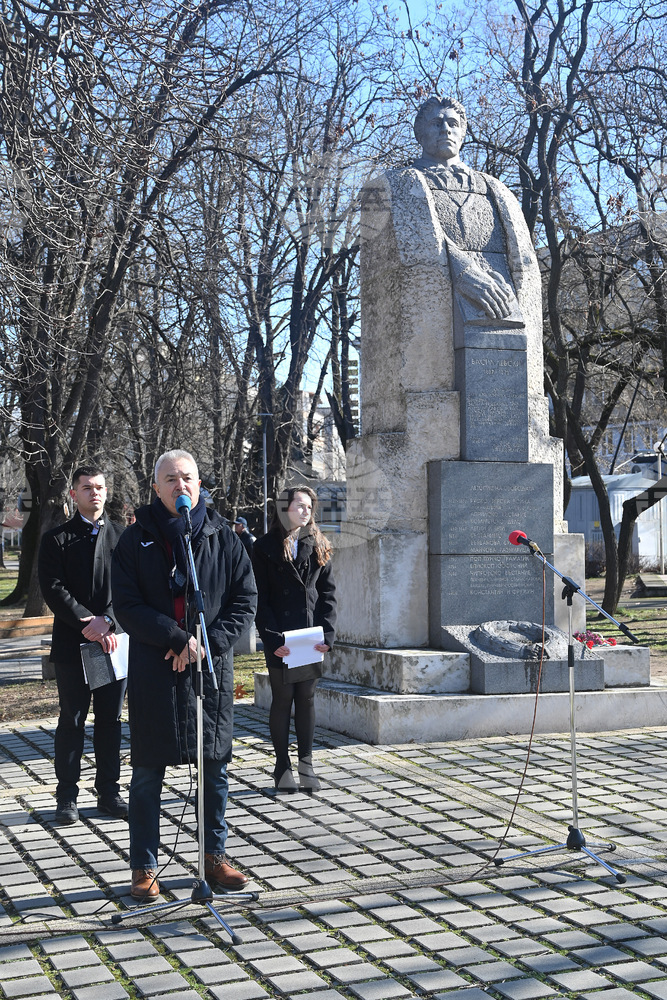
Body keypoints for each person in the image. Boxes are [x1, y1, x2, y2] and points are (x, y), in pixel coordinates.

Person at [111, 449, 257, 901]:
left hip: (209, 670)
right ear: (156, 488)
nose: (181, 486)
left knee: (214, 770)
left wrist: (205, 644)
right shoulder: (135, 538)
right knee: (147, 773)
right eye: (171, 479)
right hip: (155, 669)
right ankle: (144, 866)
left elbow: (244, 599)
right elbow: (126, 605)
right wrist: (176, 639)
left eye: (188, 478)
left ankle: (213, 857)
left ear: (199, 485)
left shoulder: (221, 535)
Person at [38, 466, 127, 825]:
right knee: (72, 720)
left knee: (109, 721)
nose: (95, 492)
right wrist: (87, 622)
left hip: (110, 645)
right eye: (87, 487)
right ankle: (67, 797)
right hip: (73, 646)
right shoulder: (56, 538)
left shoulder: (123, 537)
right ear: (74, 494)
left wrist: (109, 620)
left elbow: (132, 587)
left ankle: (109, 792)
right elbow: (53, 587)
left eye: (100, 487)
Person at [252, 486, 336, 792]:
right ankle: (282, 766)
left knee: (307, 698)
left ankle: (306, 763)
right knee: (283, 698)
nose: (306, 511)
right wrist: (273, 639)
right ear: (283, 509)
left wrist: (327, 634)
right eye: (299, 505)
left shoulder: (319, 544)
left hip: (309, 637)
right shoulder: (264, 547)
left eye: (309, 506)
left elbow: (328, 595)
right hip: (281, 637)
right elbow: (259, 598)